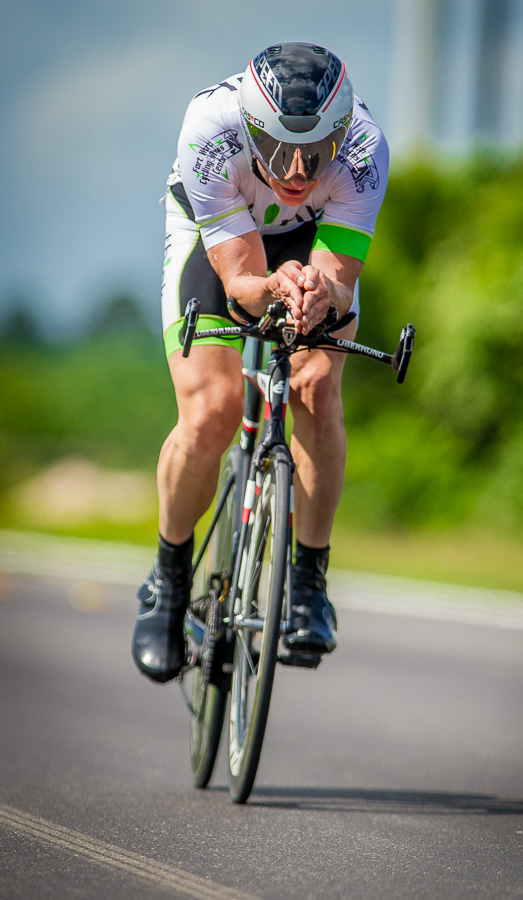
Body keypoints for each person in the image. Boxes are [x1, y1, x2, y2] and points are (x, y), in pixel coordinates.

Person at [132, 41, 389, 683]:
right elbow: (243, 283)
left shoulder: (364, 150)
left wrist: (317, 294)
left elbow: (338, 277)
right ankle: (168, 576)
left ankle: (307, 581)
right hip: (217, 234)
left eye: (316, 151)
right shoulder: (211, 130)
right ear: (251, 129)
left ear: (342, 133)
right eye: (278, 150)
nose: (299, 170)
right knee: (212, 411)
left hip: (307, 238)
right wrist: (274, 288)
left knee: (317, 386)